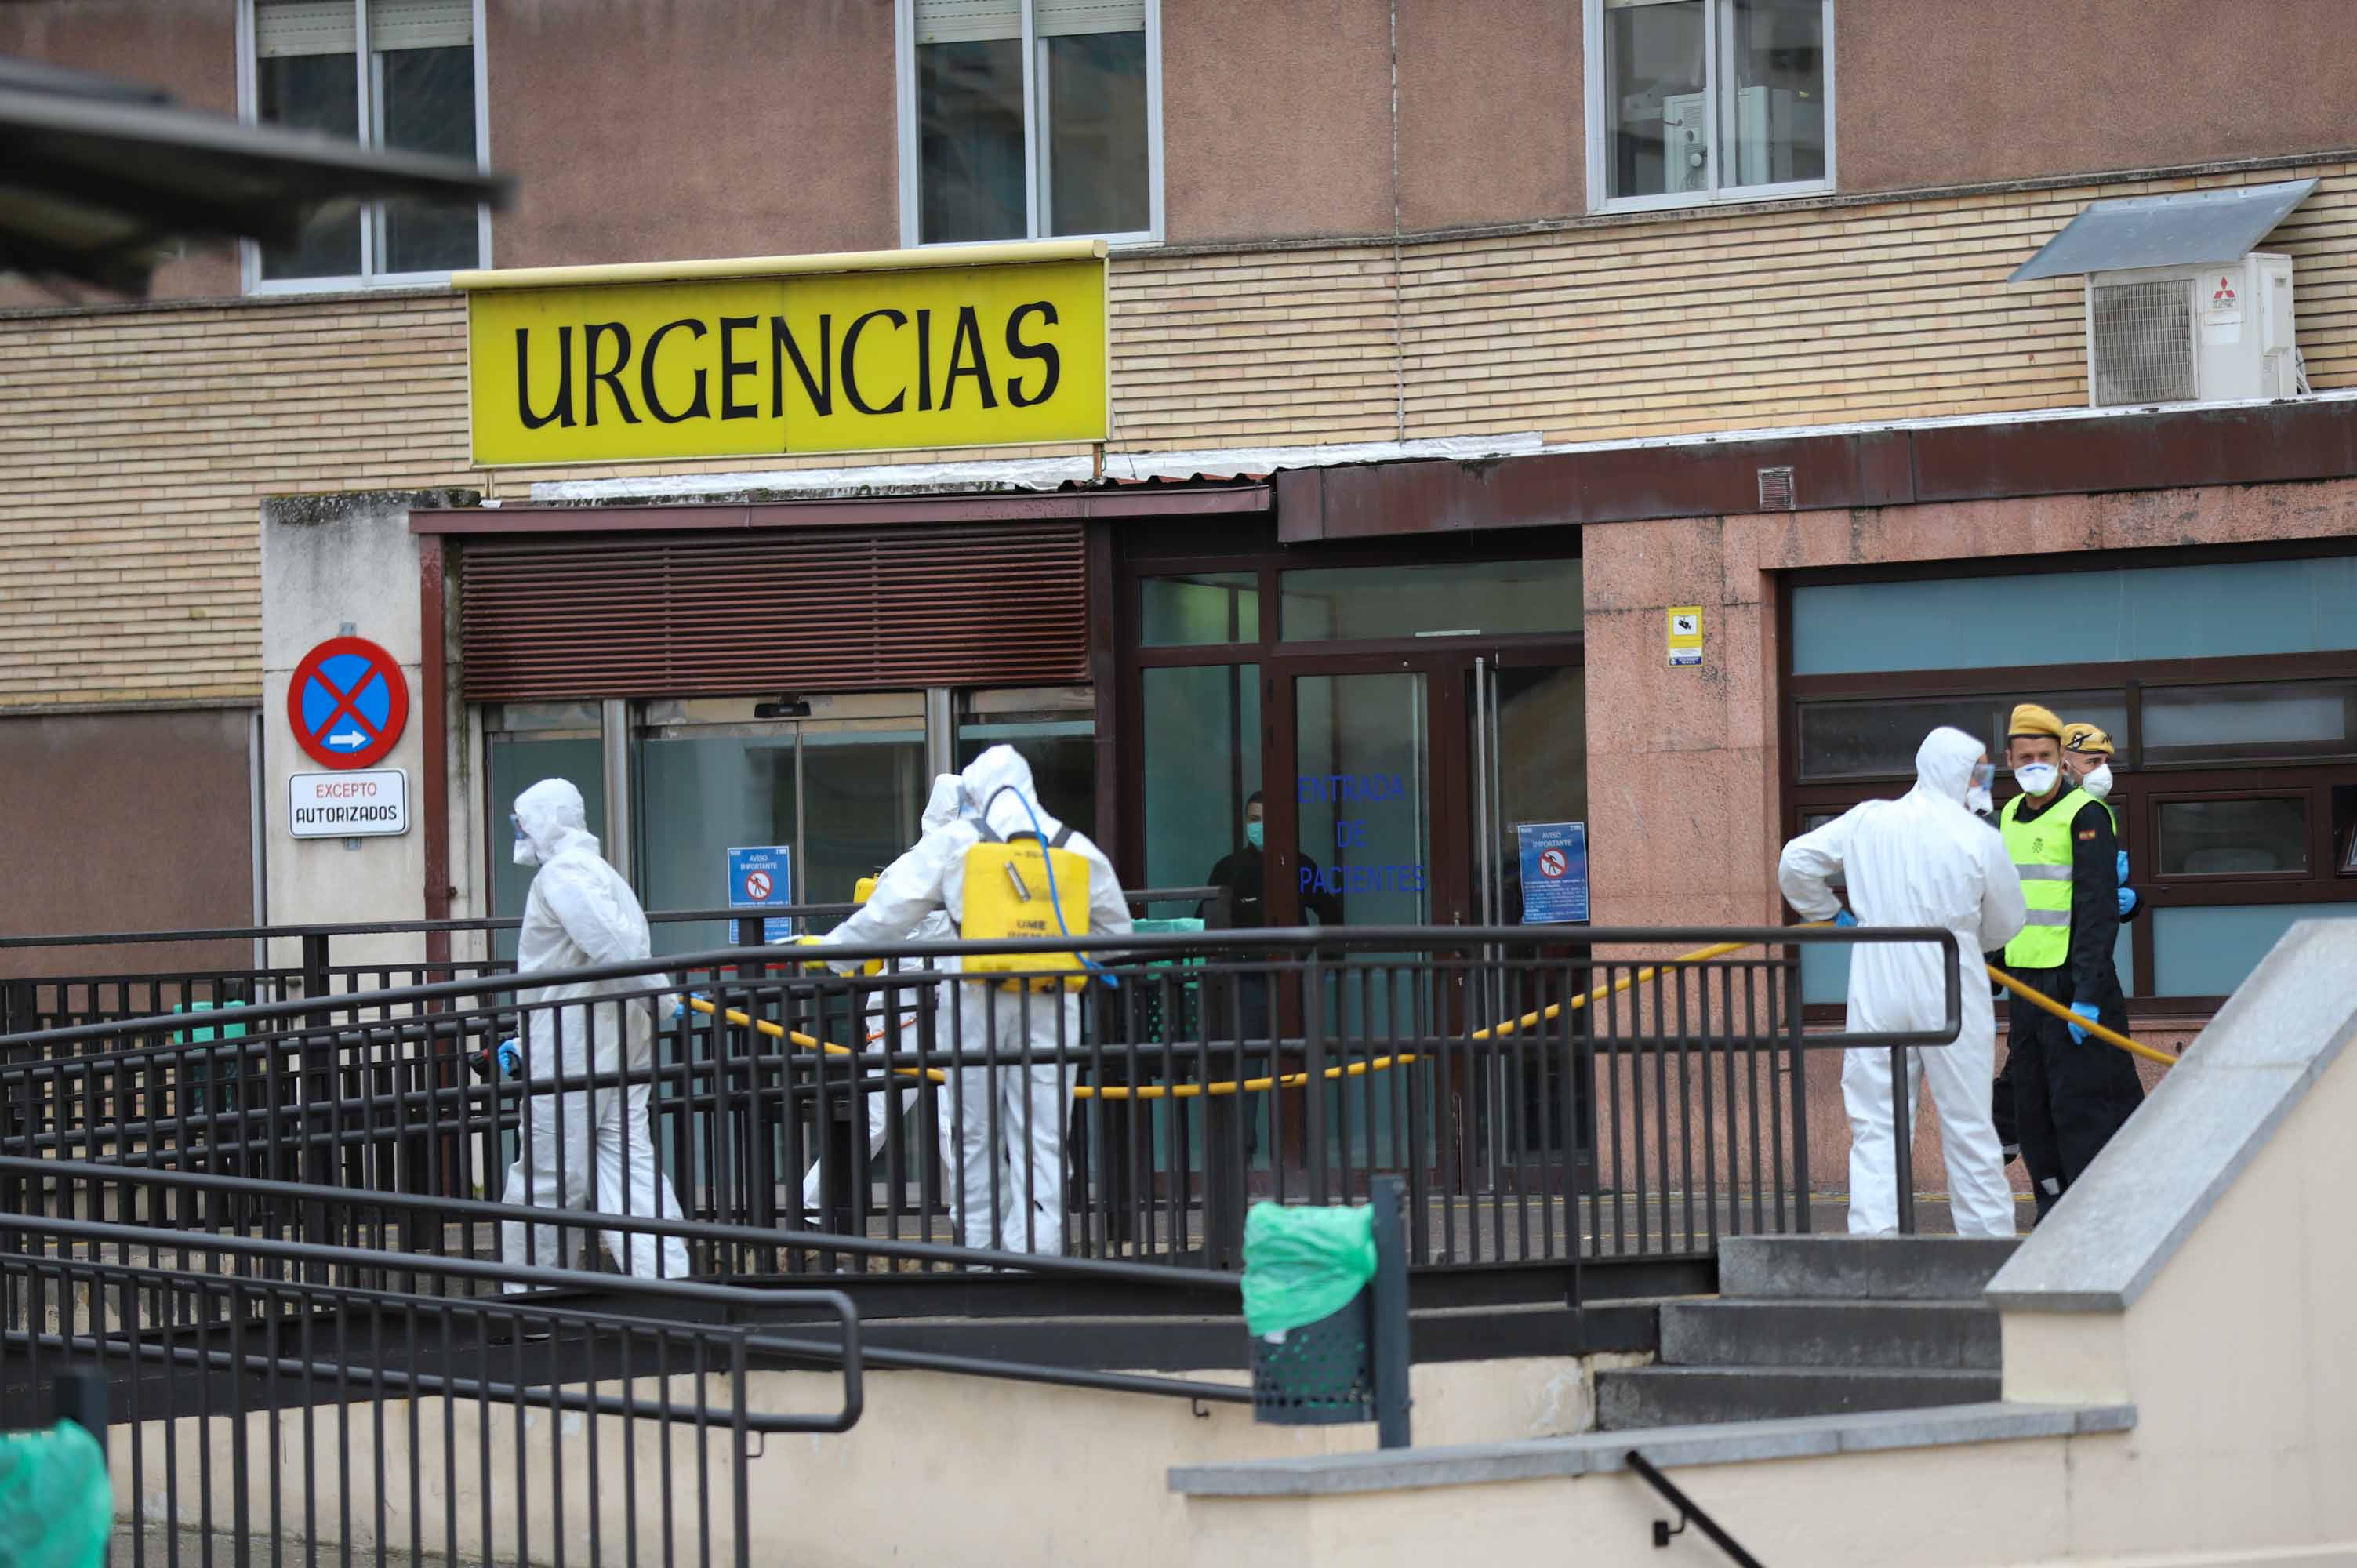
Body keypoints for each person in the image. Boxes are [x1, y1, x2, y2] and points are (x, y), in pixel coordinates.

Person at [812, 746, 1131, 1256]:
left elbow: (887, 913)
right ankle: (1039, 1256)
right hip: (1050, 1002)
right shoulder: (1074, 847)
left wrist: (832, 956)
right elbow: (1116, 934)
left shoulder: (959, 842)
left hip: (974, 1000)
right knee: (1044, 1136)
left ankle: (981, 1258)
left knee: (972, 1132)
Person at [1777, 727, 2025, 1239]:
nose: (1984, 778)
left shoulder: (1870, 820)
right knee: (1969, 1123)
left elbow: (1795, 863)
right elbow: (2008, 921)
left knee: (1876, 1123)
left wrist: (1830, 915)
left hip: (1877, 980)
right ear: (1956, 772)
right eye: (1978, 769)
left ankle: (1874, 1244)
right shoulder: (1978, 835)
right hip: (1950, 982)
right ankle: (1987, 1245)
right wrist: (1973, 940)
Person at [499, 778, 689, 1283]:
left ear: (544, 822)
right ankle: (667, 1283)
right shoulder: (601, 873)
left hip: (571, 1049)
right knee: (629, 1169)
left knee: (547, 1175)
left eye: (523, 822)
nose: (518, 832)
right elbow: (585, 963)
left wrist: (664, 998)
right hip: (614, 1040)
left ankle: (530, 1295)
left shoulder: (562, 876)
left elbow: (606, 947)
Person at [1994, 704, 2144, 1220]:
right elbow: (2003, 899)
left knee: (2087, 1104)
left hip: (2076, 985)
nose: (2034, 763)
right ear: (2009, 760)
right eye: (2025, 756)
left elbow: (2098, 912)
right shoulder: (2009, 815)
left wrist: (2086, 992)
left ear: (2061, 760)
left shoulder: (2086, 814)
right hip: (2026, 986)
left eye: (2044, 755)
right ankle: (2051, 1204)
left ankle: (2100, 1212)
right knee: (2032, 1106)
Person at [798, 775, 964, 1218]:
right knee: (904, 1111)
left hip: (924, 1004)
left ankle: (812, 1205)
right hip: (909, 1007)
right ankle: (811, 1203)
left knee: (928, 1111)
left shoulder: (928, 864)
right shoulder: (933, 866)